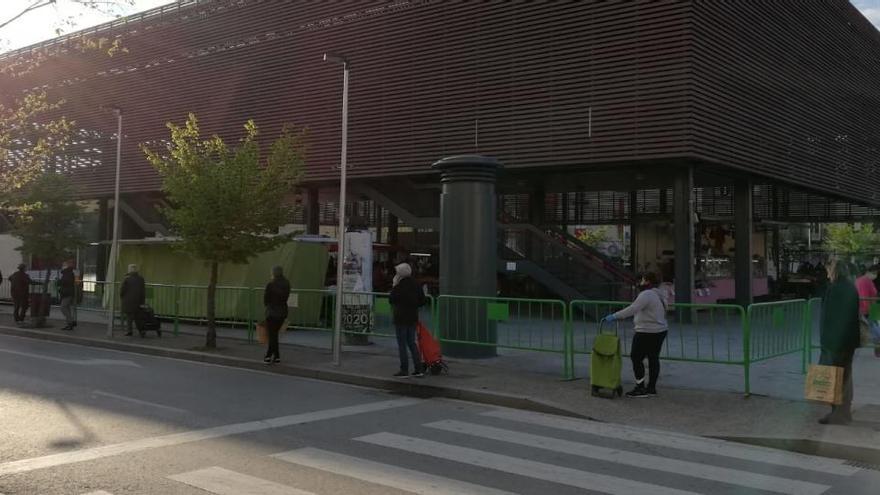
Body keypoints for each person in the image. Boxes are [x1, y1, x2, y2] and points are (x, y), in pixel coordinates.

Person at [603, 272, 669, 397]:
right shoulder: (660, 293)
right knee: (653, 358)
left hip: (646, 330)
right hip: (660, 330)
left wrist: (615, 316)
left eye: (643, 280)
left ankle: (640, 387)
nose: (641, 282)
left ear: (648, 281)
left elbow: (633, 308)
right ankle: (651, 388)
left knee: (636, 357)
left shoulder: (646, 294)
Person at [818, 260, 861, 425]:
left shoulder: (834, 289)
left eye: (829, 270)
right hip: (848, 342)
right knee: (846, 377)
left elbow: (830, 319)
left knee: (836, 378)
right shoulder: (851, 287)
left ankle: (838, 414)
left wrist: (827, 343)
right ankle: (844, 412)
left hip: (835, 343)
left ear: (835, 271)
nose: (827, 273)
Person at [388, 262, 427, 378]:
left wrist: (394, 285)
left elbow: (392, 299)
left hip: (400, 317)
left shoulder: (399, 286)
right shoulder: (416, 284)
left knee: (402, 344)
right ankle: (418, 368)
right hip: (412, 317)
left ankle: (404, 370)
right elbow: (423, 301)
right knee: (411, 342)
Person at [263, 266, 290, 364]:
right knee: (274, 335)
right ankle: (272, 356)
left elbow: (266, 299)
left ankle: (273, 356)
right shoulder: (286, 283)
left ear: (273, 273)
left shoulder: (270, 284)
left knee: (272, 335)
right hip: (283, 312)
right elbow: (286, 297)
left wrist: (268, 305)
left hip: (272, 312)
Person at [855, 264, 880, 358]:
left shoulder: (861, 280)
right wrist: (868, 311)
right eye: (874, 273)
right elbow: (867, 296)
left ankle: (877, 350)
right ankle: (878, 351)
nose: (875, 275)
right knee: (876, 330)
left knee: (875, 330)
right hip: (870, 308)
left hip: (870, 307)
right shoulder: (866, 281)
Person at [120, 264, 146, 337]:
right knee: (138, 317)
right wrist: (142, 300)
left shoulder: (127, 279)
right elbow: (143, 291)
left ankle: (129, 331)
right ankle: (142, 331)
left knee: (129, 317)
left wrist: (122, 297)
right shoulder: (141, 279)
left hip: (128, 301)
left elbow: (122, 290)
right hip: (138, 301)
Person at [58, 260, 77, 331]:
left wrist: (60, 282)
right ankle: (69, 324)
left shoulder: (68, 273)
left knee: (63, 307)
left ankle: (70, 322)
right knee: (67, 308)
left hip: (67, 293)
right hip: (66, 292)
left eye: (64, 265)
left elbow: (67, 282)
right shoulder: (67, 273)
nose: (62, 266)